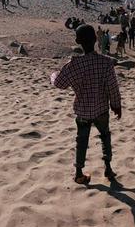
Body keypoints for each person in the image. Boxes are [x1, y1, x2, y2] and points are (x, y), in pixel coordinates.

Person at [51, 25, 122, 185]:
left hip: (83, 111)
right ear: (96, 40)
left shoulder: (73, 65)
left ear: (77, 42)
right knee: (105, 137)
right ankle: (108, 168)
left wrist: (53, 74)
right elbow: (113, 87)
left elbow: (59, 83)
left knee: (81, 140)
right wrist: (116, 105)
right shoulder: (105, 63)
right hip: (101, 109)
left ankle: (79, 173)